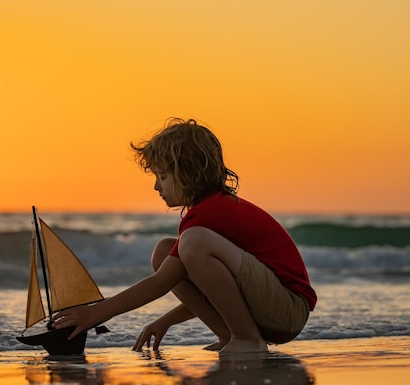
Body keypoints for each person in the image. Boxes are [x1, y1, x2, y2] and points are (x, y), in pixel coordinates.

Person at [52, 118, 317, 353]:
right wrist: (166, 320)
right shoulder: (209, 214)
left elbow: (160, 283)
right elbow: (222, 290)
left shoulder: (209, 214)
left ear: (189, 173)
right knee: (166, 251)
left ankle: (246, 338)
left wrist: (95, 314)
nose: (156, 186)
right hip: (276, 311)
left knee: (191, 242)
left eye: (163, 176)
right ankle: (231, 336)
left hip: (288, 309)